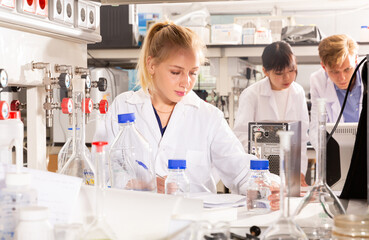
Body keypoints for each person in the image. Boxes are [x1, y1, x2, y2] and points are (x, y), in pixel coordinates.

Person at [100, 21, 279, 208]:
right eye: (176, 72)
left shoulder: (208, 117)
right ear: (151, 65)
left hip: (193, 225)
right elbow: (100, 169)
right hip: (133, 218)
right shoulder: (123, 107)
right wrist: (138, 185)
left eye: (193, 73)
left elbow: (240, 170)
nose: (185, 82)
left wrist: (269, 186)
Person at [233, 41, 309, 185]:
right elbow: (242, 136)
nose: (287, 78)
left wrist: (300, 171)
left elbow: (302, 137)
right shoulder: (251, 95)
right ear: (265, 71)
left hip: (290, 171)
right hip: (259, 171)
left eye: (291, 70)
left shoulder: (298, 92)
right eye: (279, 73)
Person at [309, 34, 363, 149]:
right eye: (334, 72)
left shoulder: (366, 73)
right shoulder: (318, 81)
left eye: (347, 69)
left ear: (356, 60)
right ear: (324, 67)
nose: (342, 78)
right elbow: (316, 129)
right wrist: (330, 155)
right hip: (337, 151)